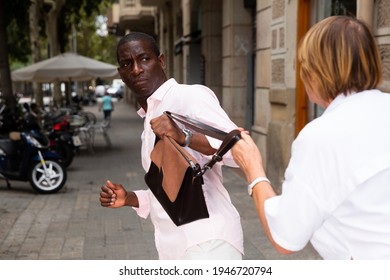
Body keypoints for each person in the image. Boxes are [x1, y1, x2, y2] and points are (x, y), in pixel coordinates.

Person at [231, 15, 390, 260]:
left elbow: (286, 237)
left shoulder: (321, 136)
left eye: (304, 65)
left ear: (317, 72)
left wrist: (253, 168)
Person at [99, 32, 244, 260]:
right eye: (128, 64)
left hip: (207, 242)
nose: (136, 69)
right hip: (176, 249)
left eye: (144, 59)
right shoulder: (149, 120)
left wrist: (184, 136)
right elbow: (171, 189)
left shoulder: (187, 96)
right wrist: (129, 198)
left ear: (162, 61)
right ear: (121, 73)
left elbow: (239, 148)